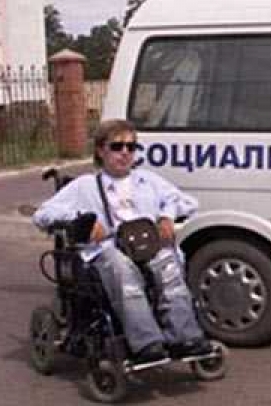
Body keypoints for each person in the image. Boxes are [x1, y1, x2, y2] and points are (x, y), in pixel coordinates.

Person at [33, 119, 212, 365]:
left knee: (169, 264)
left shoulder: (148, 181)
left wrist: (166, 216)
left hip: (146, 248)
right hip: (107, 250)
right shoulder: (84, 186)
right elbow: (43, 215)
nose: (125, 152)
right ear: (100, 150)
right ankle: (147, 342)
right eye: (117, 146)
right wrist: (83, 221)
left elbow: (187, 202)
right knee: (121, 269)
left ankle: (184, 337)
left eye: (131, 147)